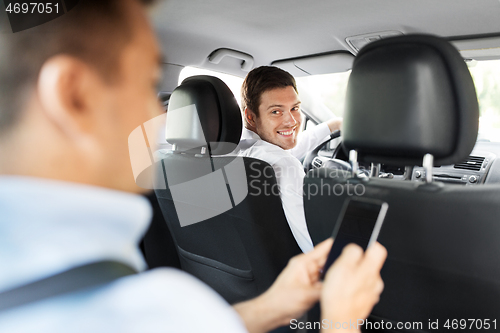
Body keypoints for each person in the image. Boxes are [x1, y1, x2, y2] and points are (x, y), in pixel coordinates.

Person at [0, 0, 386, 332]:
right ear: (74, 97)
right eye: (146, 83)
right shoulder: (122, 300)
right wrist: (341, 319)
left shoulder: (60, 279)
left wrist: (273, 306)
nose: (158, 113)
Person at [236, 66, 342, 253]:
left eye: (295, 108)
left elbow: (282, 152)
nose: (291, 121)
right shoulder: (284, 166)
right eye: (276, 112)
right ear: (251, 116)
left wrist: (332, 126)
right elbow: (313, 246)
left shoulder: (232, 151)